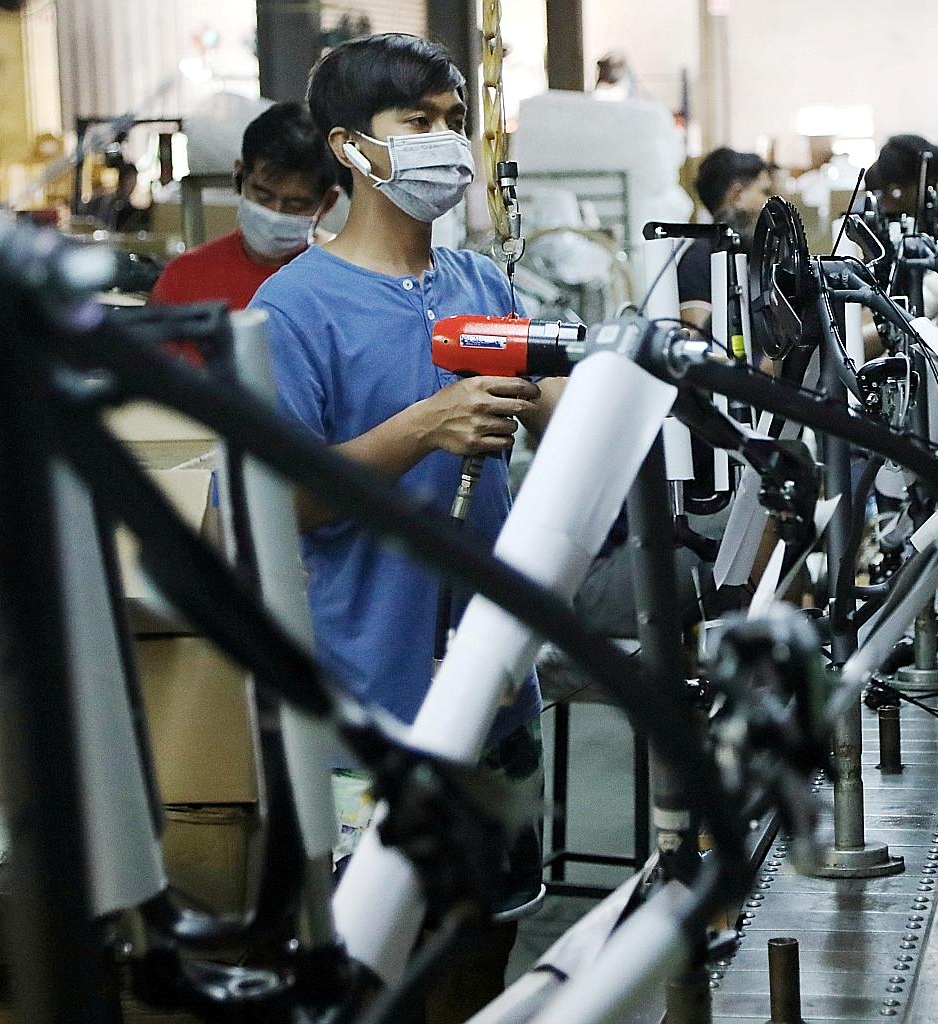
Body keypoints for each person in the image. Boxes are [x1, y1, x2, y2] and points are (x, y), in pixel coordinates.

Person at [252, 33, 561, 1020]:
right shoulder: (291, 311)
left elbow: (566, 414)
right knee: (376, 957)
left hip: (497, 700)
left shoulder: (483, 287)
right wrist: (424, 427)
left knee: (483, 941)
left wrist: (605, 376)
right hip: (370, 707)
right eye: (417, 123)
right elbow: (276, 499)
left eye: (455, 123)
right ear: (351, 147)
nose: (446, 143)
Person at [151, 102, 337, 313]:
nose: (275, 213)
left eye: (296, 204)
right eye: (263, 195)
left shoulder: (344, 284)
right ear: (239, 176)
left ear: (328, 202)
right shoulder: (185, 278)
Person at [678, 147, 772, 330]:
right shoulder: (699, 259)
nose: (770, 202)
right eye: (764, 192)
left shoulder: (761, 256)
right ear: (737, 195)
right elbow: (700, 340)